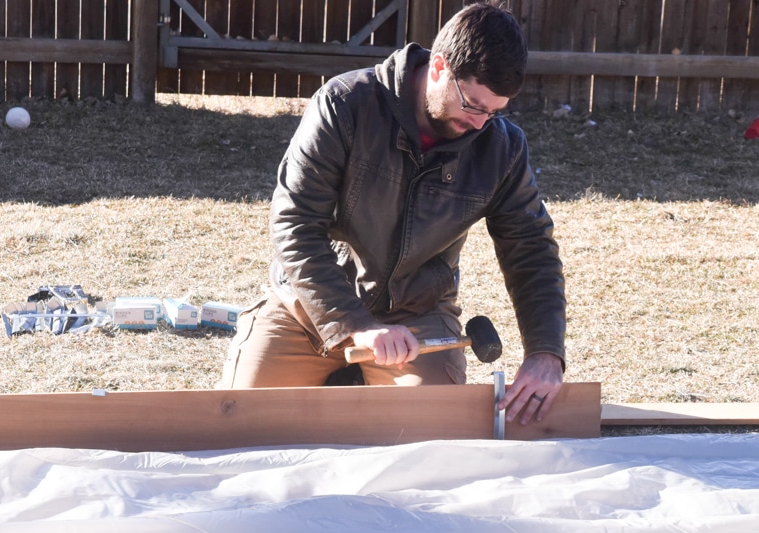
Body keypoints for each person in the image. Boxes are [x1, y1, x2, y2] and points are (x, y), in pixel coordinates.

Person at [220, 1, 566, 426]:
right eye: (474, 105)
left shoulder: (502, 147)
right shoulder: (345, 104)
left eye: (494, 112)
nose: (480, 125)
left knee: (436, 440)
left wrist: (546, 352)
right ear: (439, 67)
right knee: (239, 424)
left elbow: (530, 250)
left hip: (417, 318)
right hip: (312, 308)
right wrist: (355, 323)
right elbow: (295, 224)